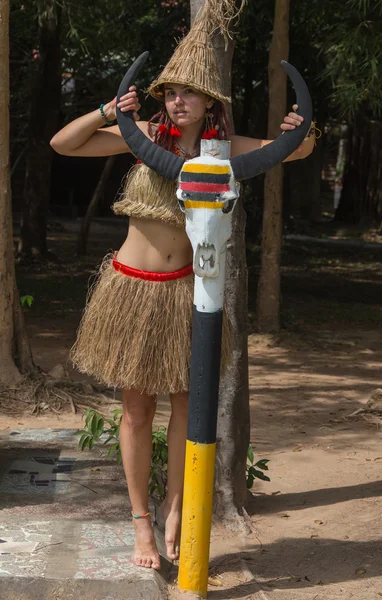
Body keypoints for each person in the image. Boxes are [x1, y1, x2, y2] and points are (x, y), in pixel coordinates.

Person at [50, 4, 316, 572]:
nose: (178, 101)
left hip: (187, 293)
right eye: (171, 92)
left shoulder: (224, 149)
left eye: (189, 94)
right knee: (136, 409)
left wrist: (302, 130)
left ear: (209, 103)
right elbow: (62, 144)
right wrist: (107, 108)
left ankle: (178, 510)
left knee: (188, 406)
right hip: (130, 289)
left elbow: (301, 151)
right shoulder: (143, 134)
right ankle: (141, 524)